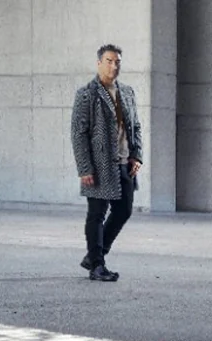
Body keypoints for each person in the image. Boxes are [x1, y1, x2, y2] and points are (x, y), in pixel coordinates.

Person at [71, 44, 143, 282]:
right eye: (109, 61)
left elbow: (136, 127)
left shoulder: (127, 92)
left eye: (117, 61)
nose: (114, 66)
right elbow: (78, 134)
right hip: (98, 165)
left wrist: (137, 155)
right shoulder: (87, 94)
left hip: (125, 163)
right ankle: (97, 266)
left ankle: (95, 255)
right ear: (99, 63)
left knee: (124, 210)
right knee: (97, 214)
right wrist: (85, 168)